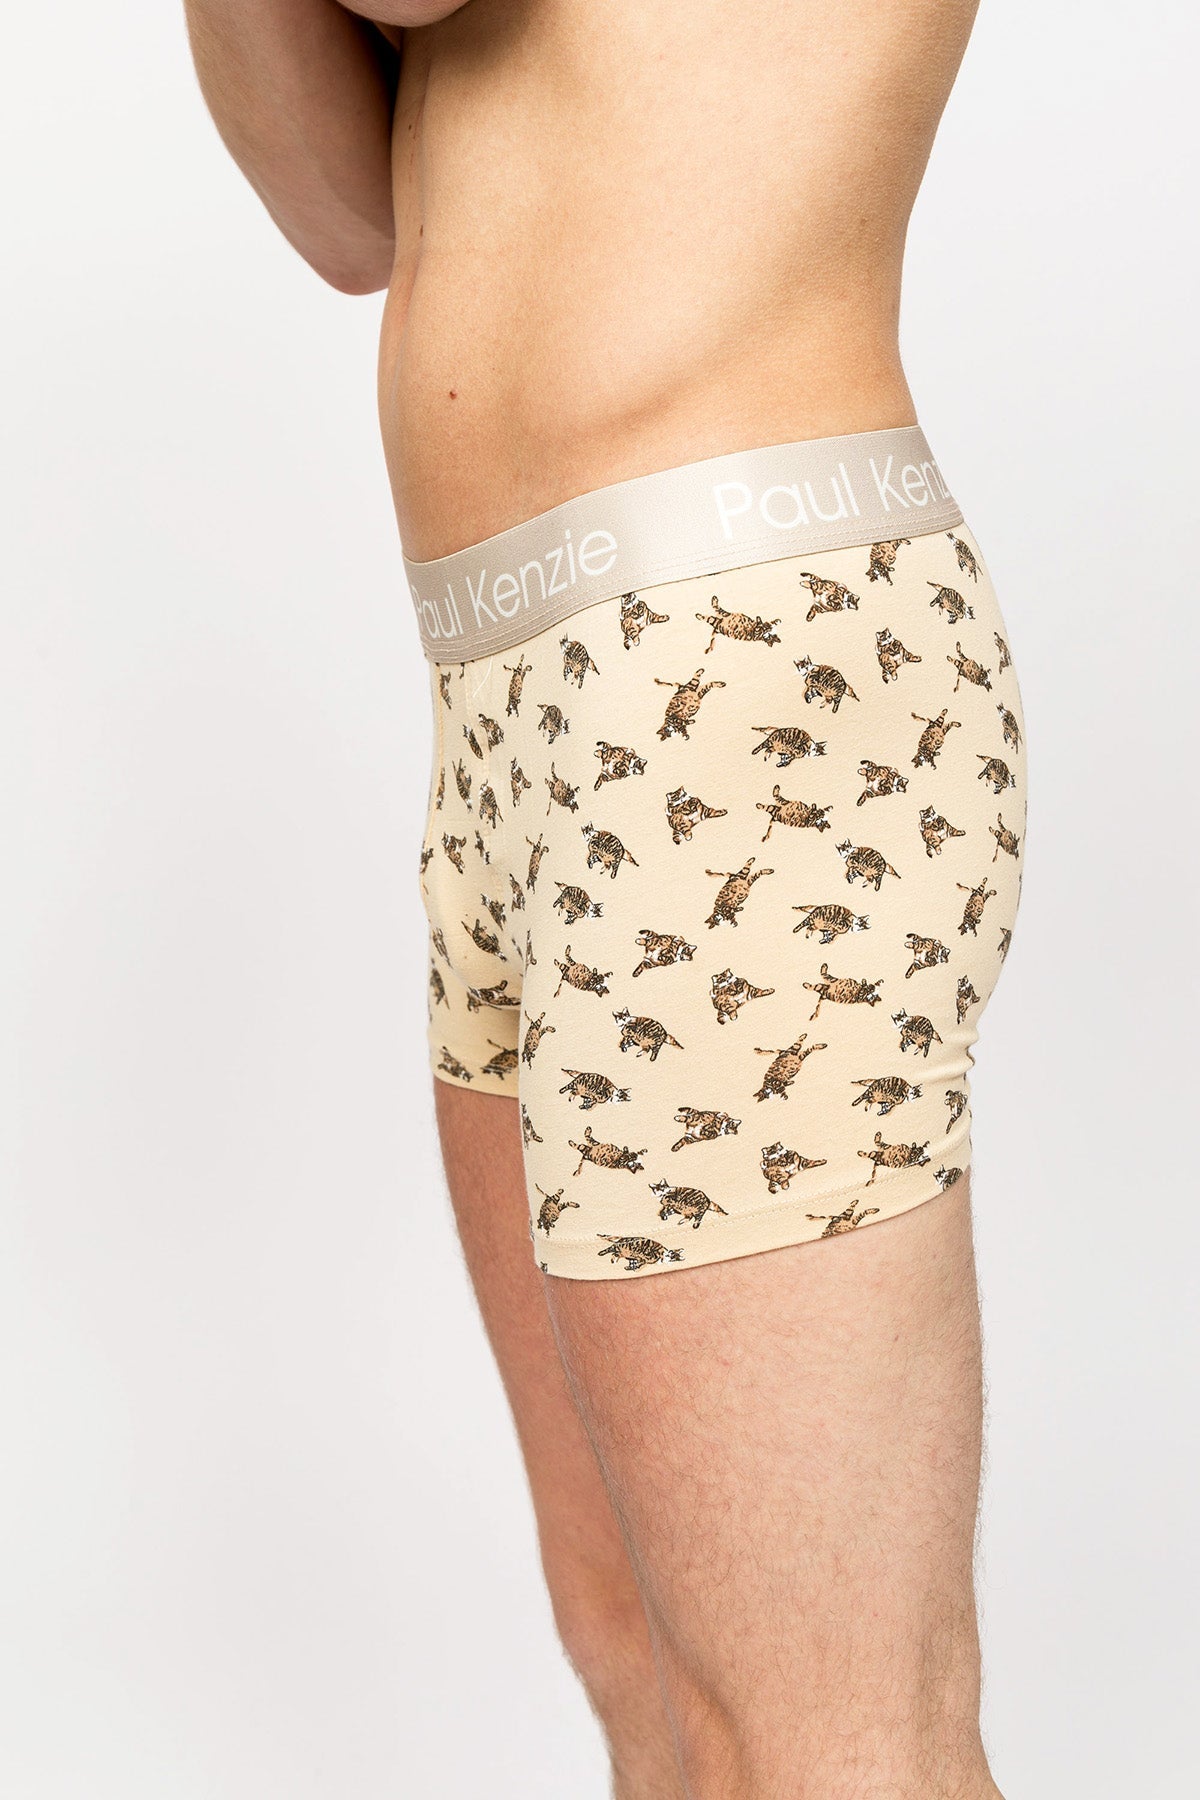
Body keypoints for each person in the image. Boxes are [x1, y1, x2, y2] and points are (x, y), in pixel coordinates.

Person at [184, 4, 1023, 1794]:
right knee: (645, 1663)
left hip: (730, 656)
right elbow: (343, 212)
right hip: (513, 690)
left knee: (824, 1739)